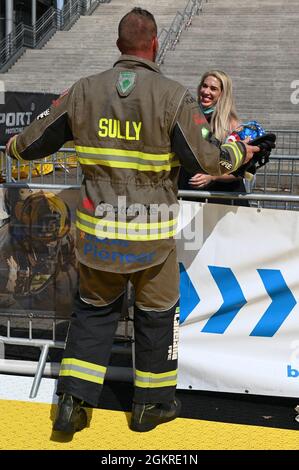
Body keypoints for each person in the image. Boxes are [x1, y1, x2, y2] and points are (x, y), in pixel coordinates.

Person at [6, 8, 259, 434]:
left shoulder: (84, 92)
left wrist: (12, 147)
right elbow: (209, 159)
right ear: (154, 45)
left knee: (93, 313)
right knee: (157, 315)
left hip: (98, 235)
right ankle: (151, 406)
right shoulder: (174, 96)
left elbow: (29, 145)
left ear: (119, 45)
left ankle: (72, 403)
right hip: (152, 239)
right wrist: (241, 154)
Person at [179, 70, 249, 205]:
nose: (206, 92)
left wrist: (212, 177)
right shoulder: (188, 116)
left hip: (222, 199)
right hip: (188, 193)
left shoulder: (232, 124)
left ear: (222, 94)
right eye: (204, 86)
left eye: (213, 89)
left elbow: (239, 169)